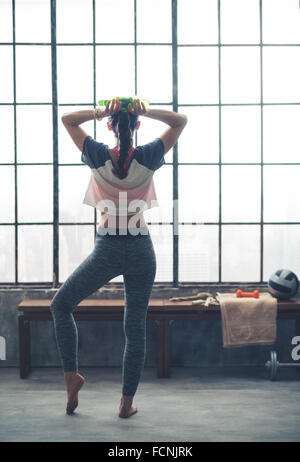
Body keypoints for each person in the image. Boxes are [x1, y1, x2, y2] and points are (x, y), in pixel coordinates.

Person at [50, 97, 187, 418]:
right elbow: (179, 122)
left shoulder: (97, 155)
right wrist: (145, 109)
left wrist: (101, 111)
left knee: (60, 304)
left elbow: (68, 120)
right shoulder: (149, 156)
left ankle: (72, 377)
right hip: (141, 249)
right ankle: (125, 405)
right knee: (135, 328)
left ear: (110, 126)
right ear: (137, 127)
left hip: (108, 248)